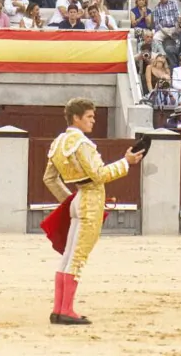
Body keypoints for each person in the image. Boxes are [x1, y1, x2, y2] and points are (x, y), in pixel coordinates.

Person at [42, 96, 143, 324]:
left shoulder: (58, 143)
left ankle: (59, 309)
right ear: (76, 118)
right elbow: (99, 175)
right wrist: (126, 162)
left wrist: (69, 201)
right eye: (89, 116)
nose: (92, 121)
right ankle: (66, 310)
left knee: (68, 257)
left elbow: (49, 178)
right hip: (91, 201)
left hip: (78, 199)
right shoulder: (83, 144)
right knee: (76, 258)